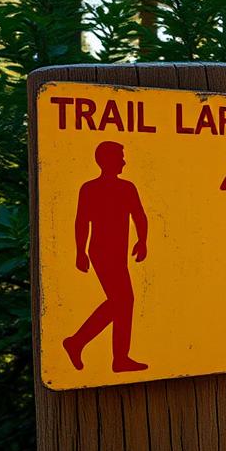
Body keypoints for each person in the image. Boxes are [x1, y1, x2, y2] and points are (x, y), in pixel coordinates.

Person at [62, 141, 149, 373]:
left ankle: (85, 345)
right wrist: (80, 251)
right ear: (106, 160)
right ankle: (101, 351)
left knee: (121, 302)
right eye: (119, 157)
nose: (123, 161)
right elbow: (81, 221)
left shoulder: (127, 188)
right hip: (101, 251)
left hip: (119, 253)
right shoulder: (90, 189)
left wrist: (143, 241)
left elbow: (139, 215)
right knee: (123, 302)